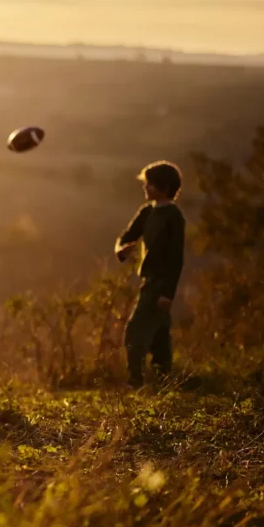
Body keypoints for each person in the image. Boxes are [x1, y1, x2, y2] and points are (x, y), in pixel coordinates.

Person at [115, 161, 186, 388]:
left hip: (160, 284)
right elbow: (126, 237)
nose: (145, 188)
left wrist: (168, 293)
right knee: (160, 336)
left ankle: (135, 380)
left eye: (150, 184)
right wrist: (122, 250)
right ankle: (165, 380)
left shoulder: (174, 217)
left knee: (134, 331)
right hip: (148, 281)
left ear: (164, 188)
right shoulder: (147, 212)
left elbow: (176, 258)